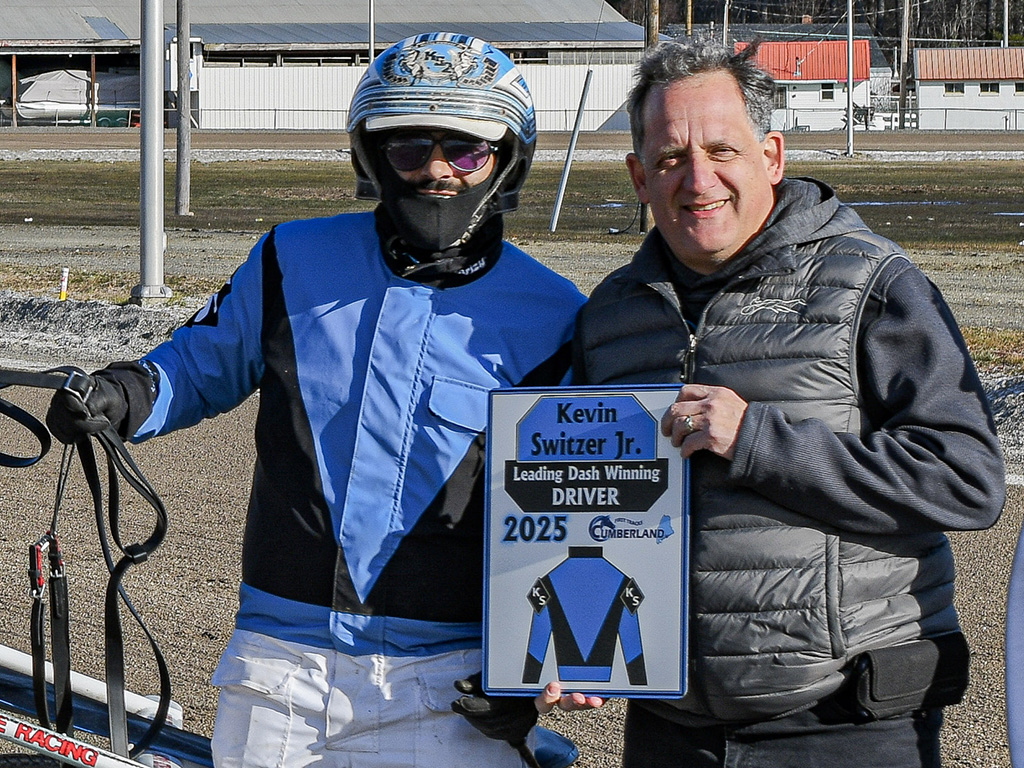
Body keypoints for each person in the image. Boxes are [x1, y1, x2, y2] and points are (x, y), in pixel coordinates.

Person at [46, 32, 584, 768]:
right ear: (371, 156)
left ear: (507, 160)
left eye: (465, 151)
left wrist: (545, 653)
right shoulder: (290, 257)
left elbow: (576, 504)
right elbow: (202, 361)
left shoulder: (558, 315)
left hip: (457, 682)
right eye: (408, 148)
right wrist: (123, 392)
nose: (435, 170)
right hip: (281, 667)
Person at [567, 36, 1006, 768]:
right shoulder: (610, 315)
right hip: (672, 727)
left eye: (722, 150)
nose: (698, 179)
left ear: (771, 157)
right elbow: (581, 504)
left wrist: (759, 441)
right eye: (670, 158)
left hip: (842, 722)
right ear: (639, 177)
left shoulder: (872, 286)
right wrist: (576, 647)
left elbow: (966, 480)